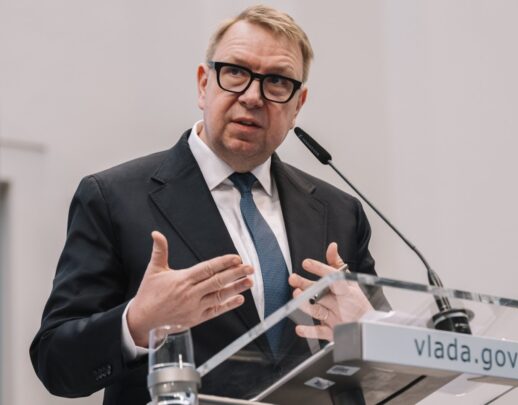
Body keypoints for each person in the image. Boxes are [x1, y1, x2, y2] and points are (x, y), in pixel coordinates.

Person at [30, 5, 382, 404]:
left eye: (277, 82)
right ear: (203, 84)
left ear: (297, 105)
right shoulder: (114, 198)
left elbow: (378, 376)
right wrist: (138, 323)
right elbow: (56, 362)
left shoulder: (340, 213)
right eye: (235, 72)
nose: (252, 97)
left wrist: (371, 335)